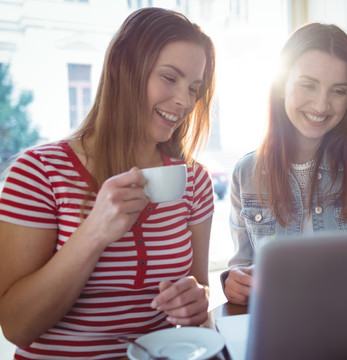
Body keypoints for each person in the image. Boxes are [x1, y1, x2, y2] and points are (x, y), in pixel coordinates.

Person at [0, 7, 216, 359]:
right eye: (169, 78)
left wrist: (198, 301)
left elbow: (199, 286)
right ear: (119, 66)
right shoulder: (37, 172)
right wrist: (94, 232)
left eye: (194, 88)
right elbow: (16, 326)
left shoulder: (194, 180)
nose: (184, 101)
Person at [222, 23, 347, 305]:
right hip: (281, 329)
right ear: (281, 86)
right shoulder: (246, 173)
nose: (321, 106)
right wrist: (233, 283)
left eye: (338, 91)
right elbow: (242, 266)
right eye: (308, 85)